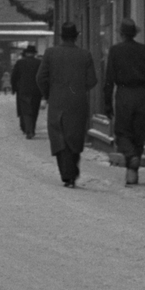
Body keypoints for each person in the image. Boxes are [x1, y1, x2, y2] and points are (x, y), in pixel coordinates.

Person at [36, 23, 97, 187]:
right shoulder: (85, 55)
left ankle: (66, 173)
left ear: (61, 36)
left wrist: (48, 94)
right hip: (77, 101)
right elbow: (92, 80)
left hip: (57, 100)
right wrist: (78, 89)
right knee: (75, 136)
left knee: (58, 135)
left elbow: (40, 78)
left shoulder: (50, 53)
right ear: (76, 37)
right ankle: (71, 172)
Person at [103, 18, 145, 187]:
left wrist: (107, 103)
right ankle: (132, 174)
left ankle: (130, 157)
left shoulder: (115, 51)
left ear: (121, 34)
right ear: (135, 34)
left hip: (125, 94)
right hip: (144, 94)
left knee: (122, 132)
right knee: (139, 134)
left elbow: (109, 80)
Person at [10, 43, 42, 139]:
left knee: (26, 111)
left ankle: (28, 131)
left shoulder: (20, 62)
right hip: (37, 90)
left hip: (23, 90)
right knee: (35, 110)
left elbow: (14, 77)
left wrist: (14, 88)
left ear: (26, 53)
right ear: (34, 53)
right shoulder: (39, 63)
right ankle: (32, 129)